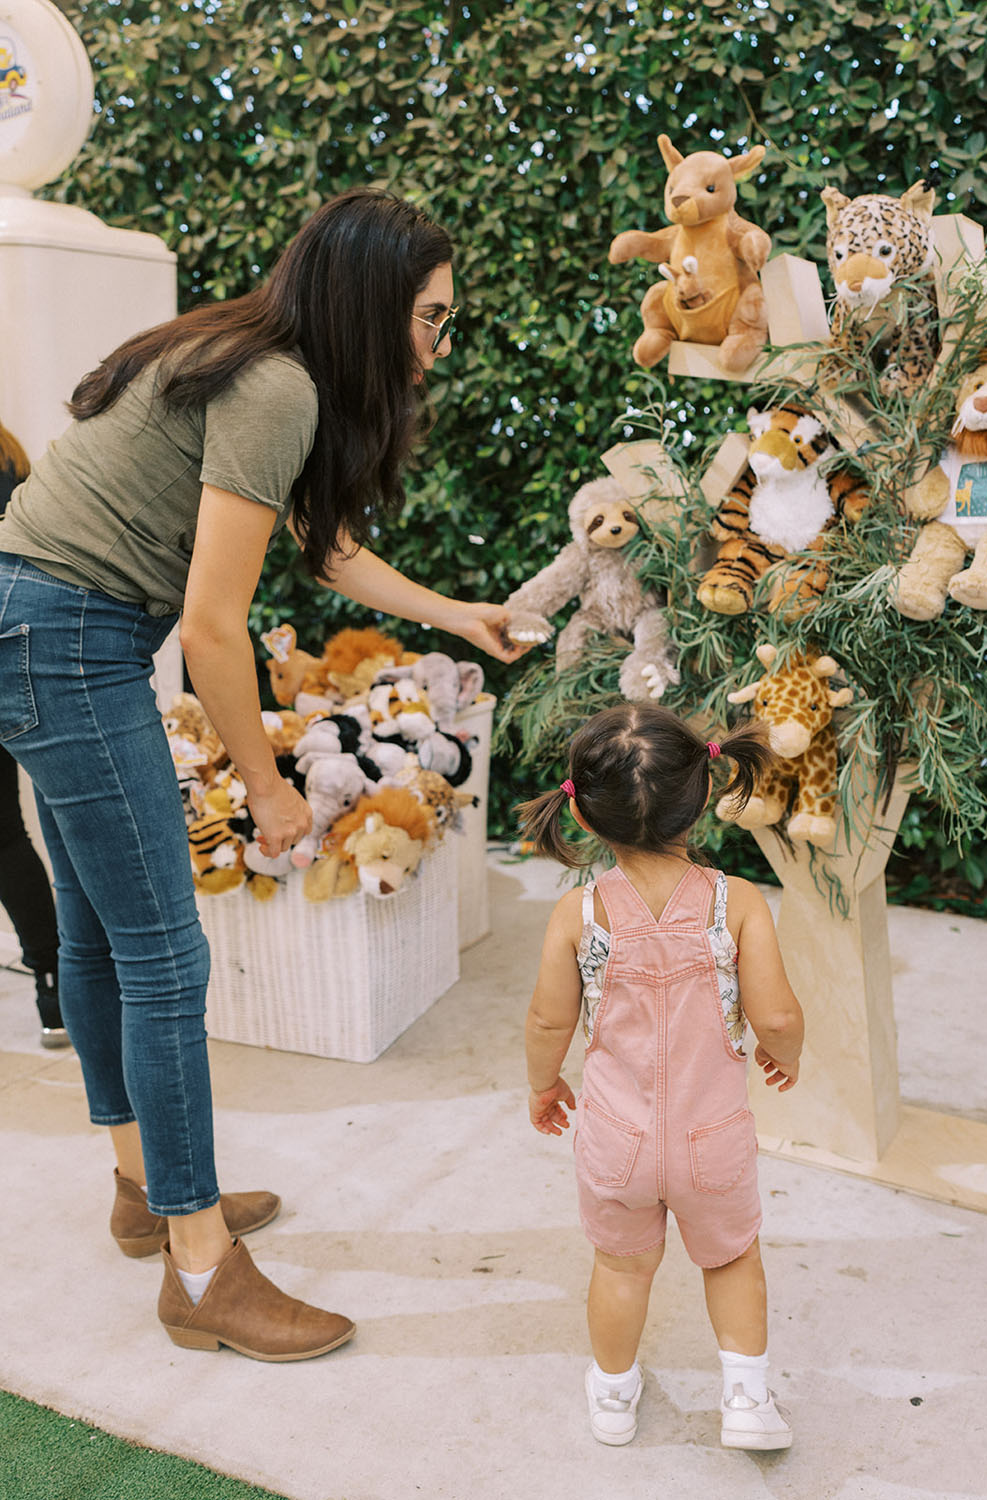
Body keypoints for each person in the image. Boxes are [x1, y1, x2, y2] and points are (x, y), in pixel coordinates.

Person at [0, 186, 525, 1362]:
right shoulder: (276, 384)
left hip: (39, 625)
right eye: (433, 318)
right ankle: (201, 1269)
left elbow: (321, 544)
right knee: (164, 957)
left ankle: (146, 1194)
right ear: (378, 303)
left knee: (97, 940)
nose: (439, 344)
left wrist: (456, 614)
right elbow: (212, 627)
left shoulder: (246, 358)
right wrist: (270, 786)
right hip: (68, 639)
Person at [520, 703, 804, 1451]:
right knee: (733, 1257)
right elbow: (775, 1016)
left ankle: (613, 1400)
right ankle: (745, 1402)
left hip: (616, 1141)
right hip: (715, 1140)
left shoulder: (578, 914)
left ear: (584, 815)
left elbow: (548, 1021)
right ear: (705, 791)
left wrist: (543, 1085)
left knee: (620, 1267)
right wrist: (787, 1054)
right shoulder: (734, 901)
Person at [0, 420, 67, 1048]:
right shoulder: (12, 454)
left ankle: (53, 974)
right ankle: (52, 979)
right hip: (16, 649)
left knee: (4, 836)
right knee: (6, 834)